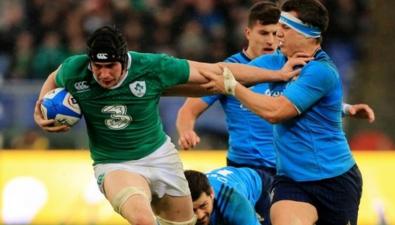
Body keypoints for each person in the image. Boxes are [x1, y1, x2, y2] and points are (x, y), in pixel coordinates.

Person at [33, 26, 305, 225]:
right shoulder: (75, 69)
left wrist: (278, 74)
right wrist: (40, 108)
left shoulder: (151, 67)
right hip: (115, 163)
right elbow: (53, 78)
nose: (103, 73)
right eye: (97, 66)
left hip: (160, 156)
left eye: (111, 66)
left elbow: (215, 71)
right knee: (142, 220)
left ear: (124, 59)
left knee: (186, 223)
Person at [177, 2, 374, 225]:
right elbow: (219, 73)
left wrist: (231, 87)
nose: (277, 34)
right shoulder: (273, 63)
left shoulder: (321, 70)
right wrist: (175, 74)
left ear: (308, 33)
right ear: (248, 33)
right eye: (270, 29)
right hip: (287, 179)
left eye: (285, 27)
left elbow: (276, 111)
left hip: (334, 179)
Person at [184, 167, 266, 225]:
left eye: (203, 205)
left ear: (211, 194)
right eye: (193, 210)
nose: (200, 216)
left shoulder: (235, 204)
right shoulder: (177, 204)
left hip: (259, 188)